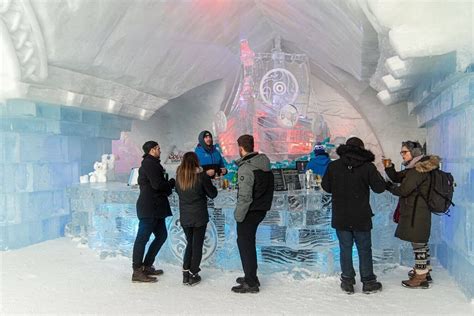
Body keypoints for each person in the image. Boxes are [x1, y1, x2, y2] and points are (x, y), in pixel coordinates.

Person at [321, 137, 386, 294]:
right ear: (362, 150)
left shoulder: (333, 166)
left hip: (341, 215)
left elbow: (326, 187)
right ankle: (368, 281)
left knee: (345, 248)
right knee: (364, 249)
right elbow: (379, 188)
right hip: (361, 215)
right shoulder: (368, 167)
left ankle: (348, 281)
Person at [385, 141, 438, 289]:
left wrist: (389, 187)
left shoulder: (418, 170)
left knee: (418, 243)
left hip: (417, 211)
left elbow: (403, 190)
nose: (402, 154)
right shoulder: (415, 167)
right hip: (418, 210)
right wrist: (389, 167)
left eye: (405, 152)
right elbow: (398, 177)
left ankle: (420, 277)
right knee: (421, 241)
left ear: (414, 153)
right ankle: (424, 272)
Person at [231, 134, 274, 294]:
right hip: (261, 209)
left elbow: (245, 196)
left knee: (245, 245)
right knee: (249, 243)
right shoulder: (264, 164)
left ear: (241, 148)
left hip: (249, 211)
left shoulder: (246, 168)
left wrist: (238, 215)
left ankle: (250, 282)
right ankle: (251, 276)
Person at [132, 141, 175, 283]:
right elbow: (157, 185)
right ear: (151, 150)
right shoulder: (149, 164)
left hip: (156, 208)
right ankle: (137, 270)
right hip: (149, 207)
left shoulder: (153, 163)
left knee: (161, 235)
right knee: (142, 238)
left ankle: (147, 265)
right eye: (157, 148)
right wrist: (170, 184)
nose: (160, 150)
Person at [175, 152, 218, 286]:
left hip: (185, 217)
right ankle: (194, 273)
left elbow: (177, 191)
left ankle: (185, 273)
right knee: (197, 245)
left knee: (190, 243)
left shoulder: (179, 178)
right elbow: (213, 194)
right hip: (199, 216)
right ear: (196, 162)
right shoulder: (201, 177)